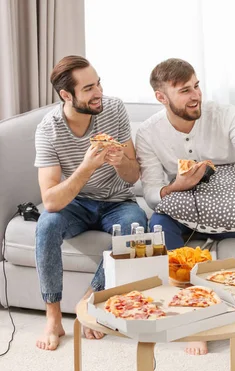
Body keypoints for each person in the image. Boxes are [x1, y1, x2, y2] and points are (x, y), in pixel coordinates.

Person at [135, 58, 235, 355]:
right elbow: (153, 192)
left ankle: (203, 239)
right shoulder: (147, 132)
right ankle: (194, 316)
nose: (196, 95)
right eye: (185, 91)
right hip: (186, 200)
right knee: (157, 225)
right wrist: (178, 186)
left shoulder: (224, 114)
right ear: (161, 97)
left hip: (232, 197)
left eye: (196, 86)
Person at [34, 55, 147, 351]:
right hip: (75, 203)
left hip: (117, 201)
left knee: (136, 228)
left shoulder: (114, 108)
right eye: (88, 89)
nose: (98, 93)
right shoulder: (49, 129)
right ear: (66, 95)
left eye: (98, 83)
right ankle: (53, 318)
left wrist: (122, 161)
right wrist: (86, 167)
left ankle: (89, 301)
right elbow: (50, 201)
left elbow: (133, 175)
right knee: (47, 225)